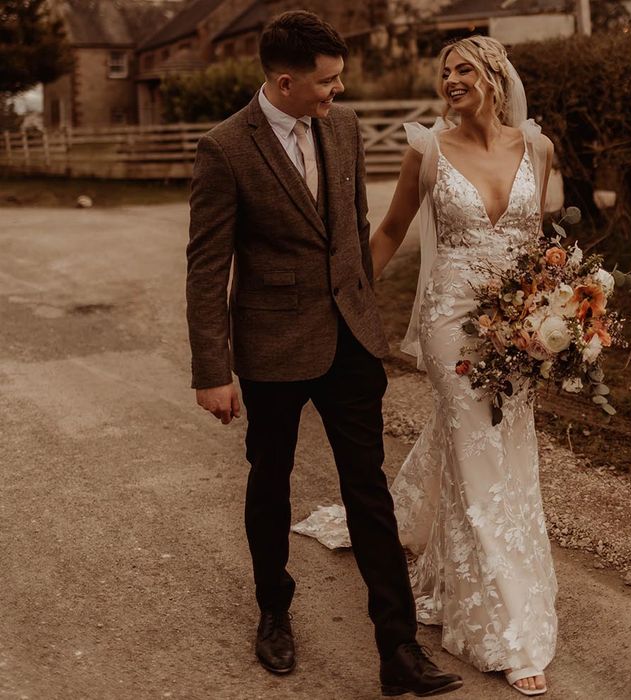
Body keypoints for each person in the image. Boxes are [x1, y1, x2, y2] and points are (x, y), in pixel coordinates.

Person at [185, 10, 462, 697]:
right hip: (272, 347)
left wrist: (367, 313)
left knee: (368, 490)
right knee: (270, 483)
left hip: (350, 342)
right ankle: (274, 610)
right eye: (327, 82)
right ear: (284, 81)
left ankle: (397, 649)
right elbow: (206, 266)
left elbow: (358, 229)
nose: (337, 92)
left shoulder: (342, 128)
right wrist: (212, 371)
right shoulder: (225, 149)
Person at [370, 36, 559, 696]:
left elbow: (542, 239)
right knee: (478, 458)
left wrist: (555, 314)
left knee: (509, 454)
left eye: (463, 68)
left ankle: (449, 561)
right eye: (444, 70)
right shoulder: (425, 151)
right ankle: (508, 631)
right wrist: (350, 301)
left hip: (519, 326)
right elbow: (392, 230)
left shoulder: (536, 146)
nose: (450, 78)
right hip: (451, 322)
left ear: (495, 77)